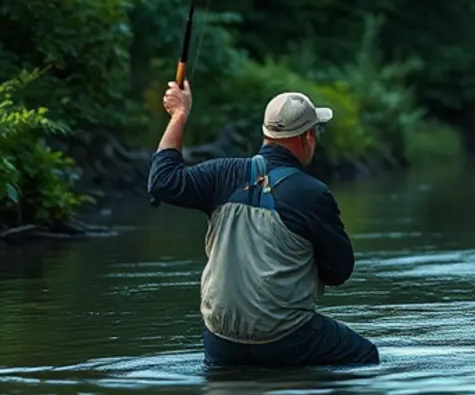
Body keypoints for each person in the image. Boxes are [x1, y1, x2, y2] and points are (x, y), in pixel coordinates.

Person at [146, 80, 379, 367]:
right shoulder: (312, 194)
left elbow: (161, 181)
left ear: (266, 133)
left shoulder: (221, 174)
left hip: (222, 341)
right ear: (307, 137)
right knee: (366, 356)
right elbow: (340, 272)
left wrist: (179, 115)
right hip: (288, 339)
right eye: (316, 133)